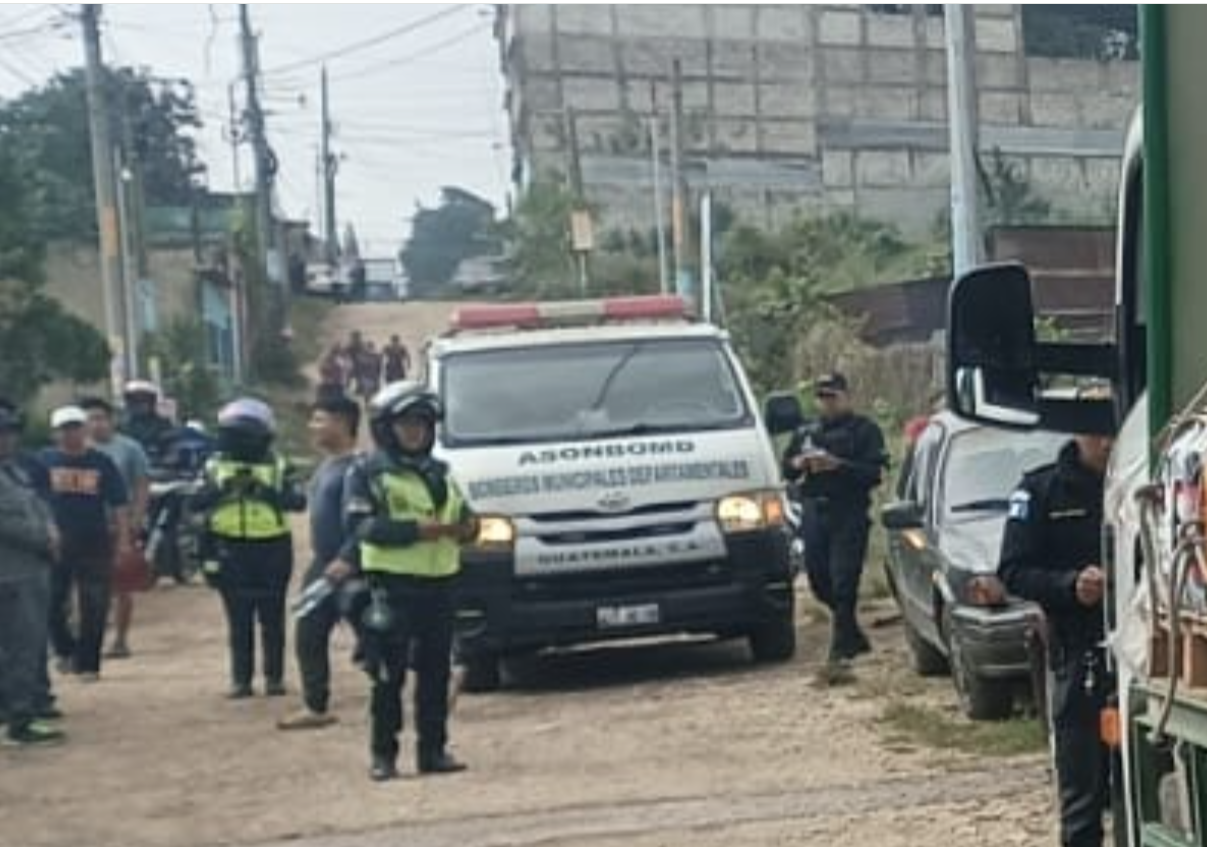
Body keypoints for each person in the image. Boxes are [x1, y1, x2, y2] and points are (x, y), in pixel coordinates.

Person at [339, 381, 476, 780]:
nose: (415, 431)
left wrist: (466, 528)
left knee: (435, 673)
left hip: (441, 583)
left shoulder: (442, 474)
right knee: (387, 675)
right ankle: (384, 756)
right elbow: (361, 527)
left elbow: (464, 515)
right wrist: (417, 531)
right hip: (392, 585)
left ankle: (433, 751)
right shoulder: (369, 472)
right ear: (387, 428)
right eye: (406, 424)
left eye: (422, 423)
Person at [999, 428, 1114, 847]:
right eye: (1099, 431)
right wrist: (1070, 586)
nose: (1108, 441)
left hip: (1147, 652)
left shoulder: (1142, 479)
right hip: (1080, 653)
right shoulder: (1041, 490)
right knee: (1082, 800)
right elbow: (1012, 571)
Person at [194, 398, 306, 699]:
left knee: (272, 617)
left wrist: (264, 492)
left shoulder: (279, 465)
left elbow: (298, 501)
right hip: (229, 547)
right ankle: (241, 680)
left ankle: (274, 678)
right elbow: (194, 502)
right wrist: (223, 489)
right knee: (238, 618)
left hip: (272, 548)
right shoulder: (214, 466)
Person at [782, 372, 887, 667]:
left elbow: (873, 474)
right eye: (822, 397)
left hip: (849, 510)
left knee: (844, 580)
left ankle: (840, 650)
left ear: (846, 396)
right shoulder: (805, 433)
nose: (827, 403)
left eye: (832, 397)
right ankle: (852, 633)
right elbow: (786, 469)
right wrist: (799, 463)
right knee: (818, 580)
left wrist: (838, 465)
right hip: (815, 511)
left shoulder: (864, 430)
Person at [278, 393, 364, 731]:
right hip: (324, 564)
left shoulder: (357, 469)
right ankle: (315, 705)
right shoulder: (326, 465)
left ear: (342, 423)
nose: (313, 427)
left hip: (349, 565)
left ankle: (434, 680)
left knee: (377, 634)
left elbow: (363, 521)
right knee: (309, 632)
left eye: (319, 420)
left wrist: (349, 558)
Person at [41, 406, 132, 682]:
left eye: (76, 427)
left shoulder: (101, 463)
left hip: (94, 539)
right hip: (54, 539)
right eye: (65, 429)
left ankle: (89, 663)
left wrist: (124, 540)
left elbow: (118, 504)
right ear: (55, 433)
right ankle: (65, 649)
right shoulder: (43, 461)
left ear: (84, 429)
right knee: (51, 600)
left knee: (95, 603)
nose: (71, 434)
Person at [0, 399, 64, 747]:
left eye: (10, 432)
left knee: (31, 643)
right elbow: (8, 524)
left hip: (30, 570)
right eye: (3, 434)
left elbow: (38, 505)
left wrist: (51, 530)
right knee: (19, 647)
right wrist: (44, 538)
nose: (8, 440)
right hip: (10, 574)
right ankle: (20, 720)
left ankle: (19, 709)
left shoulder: (14, 472)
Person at [81, 397, 151, 659]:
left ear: (112, 420)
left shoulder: (129, 448)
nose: (96, 424)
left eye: (101, 417)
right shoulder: (79, 451)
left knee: (122, 583)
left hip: (120, 525)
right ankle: (90, 639)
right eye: (90, 418)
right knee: (88, 585)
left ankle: (121, 640)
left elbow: (142, 484)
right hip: (87, 527)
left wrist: (136, 518)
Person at [121, 381, 174, 466]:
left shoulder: (164, 424)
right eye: (135, 400)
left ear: (152, 402)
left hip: (158, 467)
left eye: (144, 400)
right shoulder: (121, 426)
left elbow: (173, 448)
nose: (139, 404)